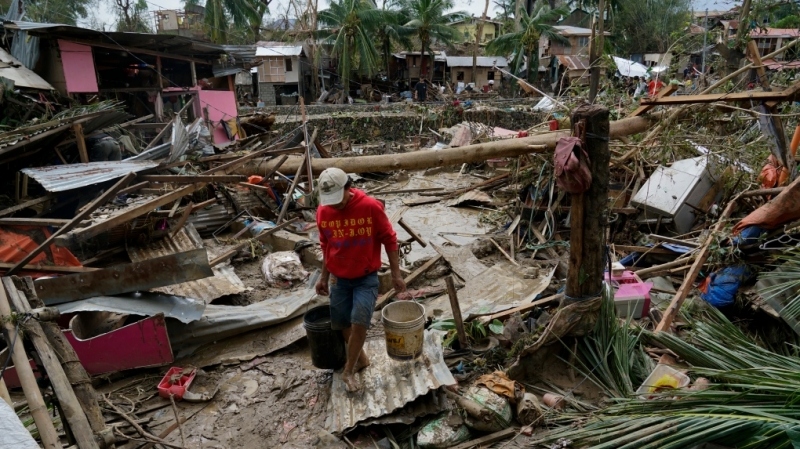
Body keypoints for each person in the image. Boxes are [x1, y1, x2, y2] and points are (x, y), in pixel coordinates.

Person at [314, 168, 407, 392]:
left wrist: (396, 274)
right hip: (339, 278)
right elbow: (326, 246)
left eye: (338, 199)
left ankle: (348, 369)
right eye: (330, 201)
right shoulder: (323, 212)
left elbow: (390, 239)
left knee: (360, 320)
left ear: (348, 188)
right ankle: (362, 359)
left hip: (366, 277)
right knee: (342, 322)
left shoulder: (370, 207)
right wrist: (323, 277)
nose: (334, 205)